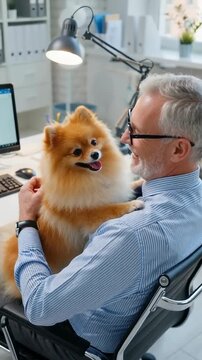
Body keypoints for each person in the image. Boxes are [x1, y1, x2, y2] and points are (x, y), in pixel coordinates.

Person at [14, 73, 202, 359]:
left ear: (179, 149)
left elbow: (40, 308)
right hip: (136, 329)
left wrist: (26, 221)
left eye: (137, 131)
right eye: (128, 123)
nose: (125, 137)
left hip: (83, 343)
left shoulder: (131, 235)